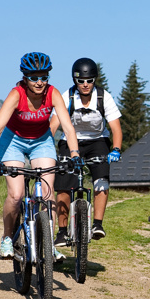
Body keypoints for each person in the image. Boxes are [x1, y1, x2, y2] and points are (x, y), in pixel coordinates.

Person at [0, 51, 82, 260]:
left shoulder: (53, 93)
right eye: (33, 77)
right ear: (25, 78)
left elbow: (67, 127)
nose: (39, 82)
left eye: (43, 77)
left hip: (41, 141)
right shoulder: (16, 95)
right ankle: (6, 239)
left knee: (48, 196)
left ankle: (48, 244)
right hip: (13, 142)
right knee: (16, 195)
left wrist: (75, 154)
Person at [51, 58, 123, 245]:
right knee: (64, 184)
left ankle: (97, 224)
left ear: (94, 80)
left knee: (101, 180)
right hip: (70, 140)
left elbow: (116, 128)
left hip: (97, 141)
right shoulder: (67, 96)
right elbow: (53, 125)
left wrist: (115, 149)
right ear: (75, 80)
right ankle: (62, 231)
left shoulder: (103, 97)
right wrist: (47, 146)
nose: (85, 84)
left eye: (89, 80)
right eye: (80, 81)